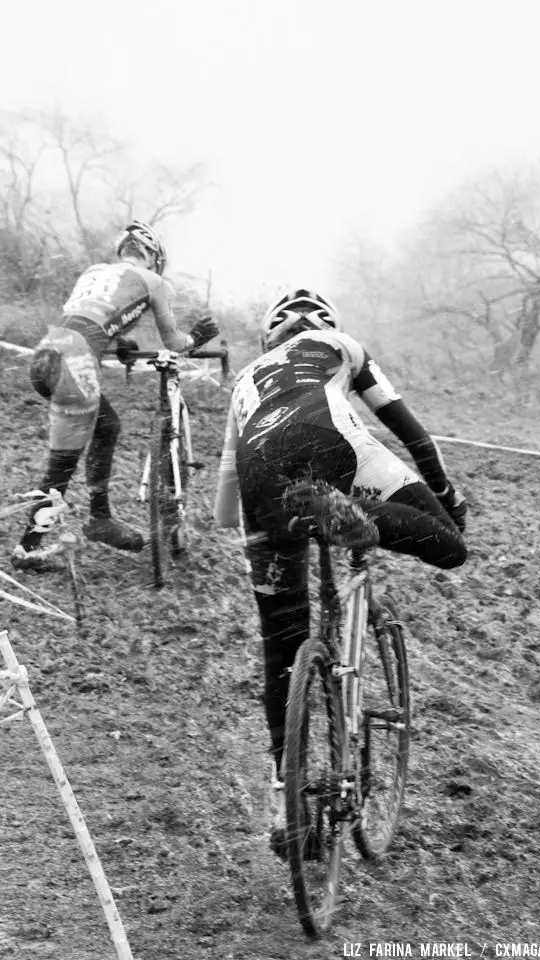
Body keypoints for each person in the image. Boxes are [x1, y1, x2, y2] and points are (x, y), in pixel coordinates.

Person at [213, 288, 467, 853]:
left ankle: (289, 811)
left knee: (281, 648)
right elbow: (412, 434)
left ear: (268, 339)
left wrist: (265, 523)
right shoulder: (339, 344)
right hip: (333, 441)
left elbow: (222, 511)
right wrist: (447, 499)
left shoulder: (245, 379)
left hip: (260, 476)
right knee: (450, 545)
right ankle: (363, 519)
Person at [12, 219, 219, 570]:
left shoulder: (93, 272)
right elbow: (174, 343)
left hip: (48, 351)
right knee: (60, 468)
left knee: (106, 427)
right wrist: (197, 338)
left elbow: (86, 316)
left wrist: (117, 340)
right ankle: (71, 531)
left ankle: (79, 525)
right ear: (153, 257)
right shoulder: (153, 281)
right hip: (75, 363)